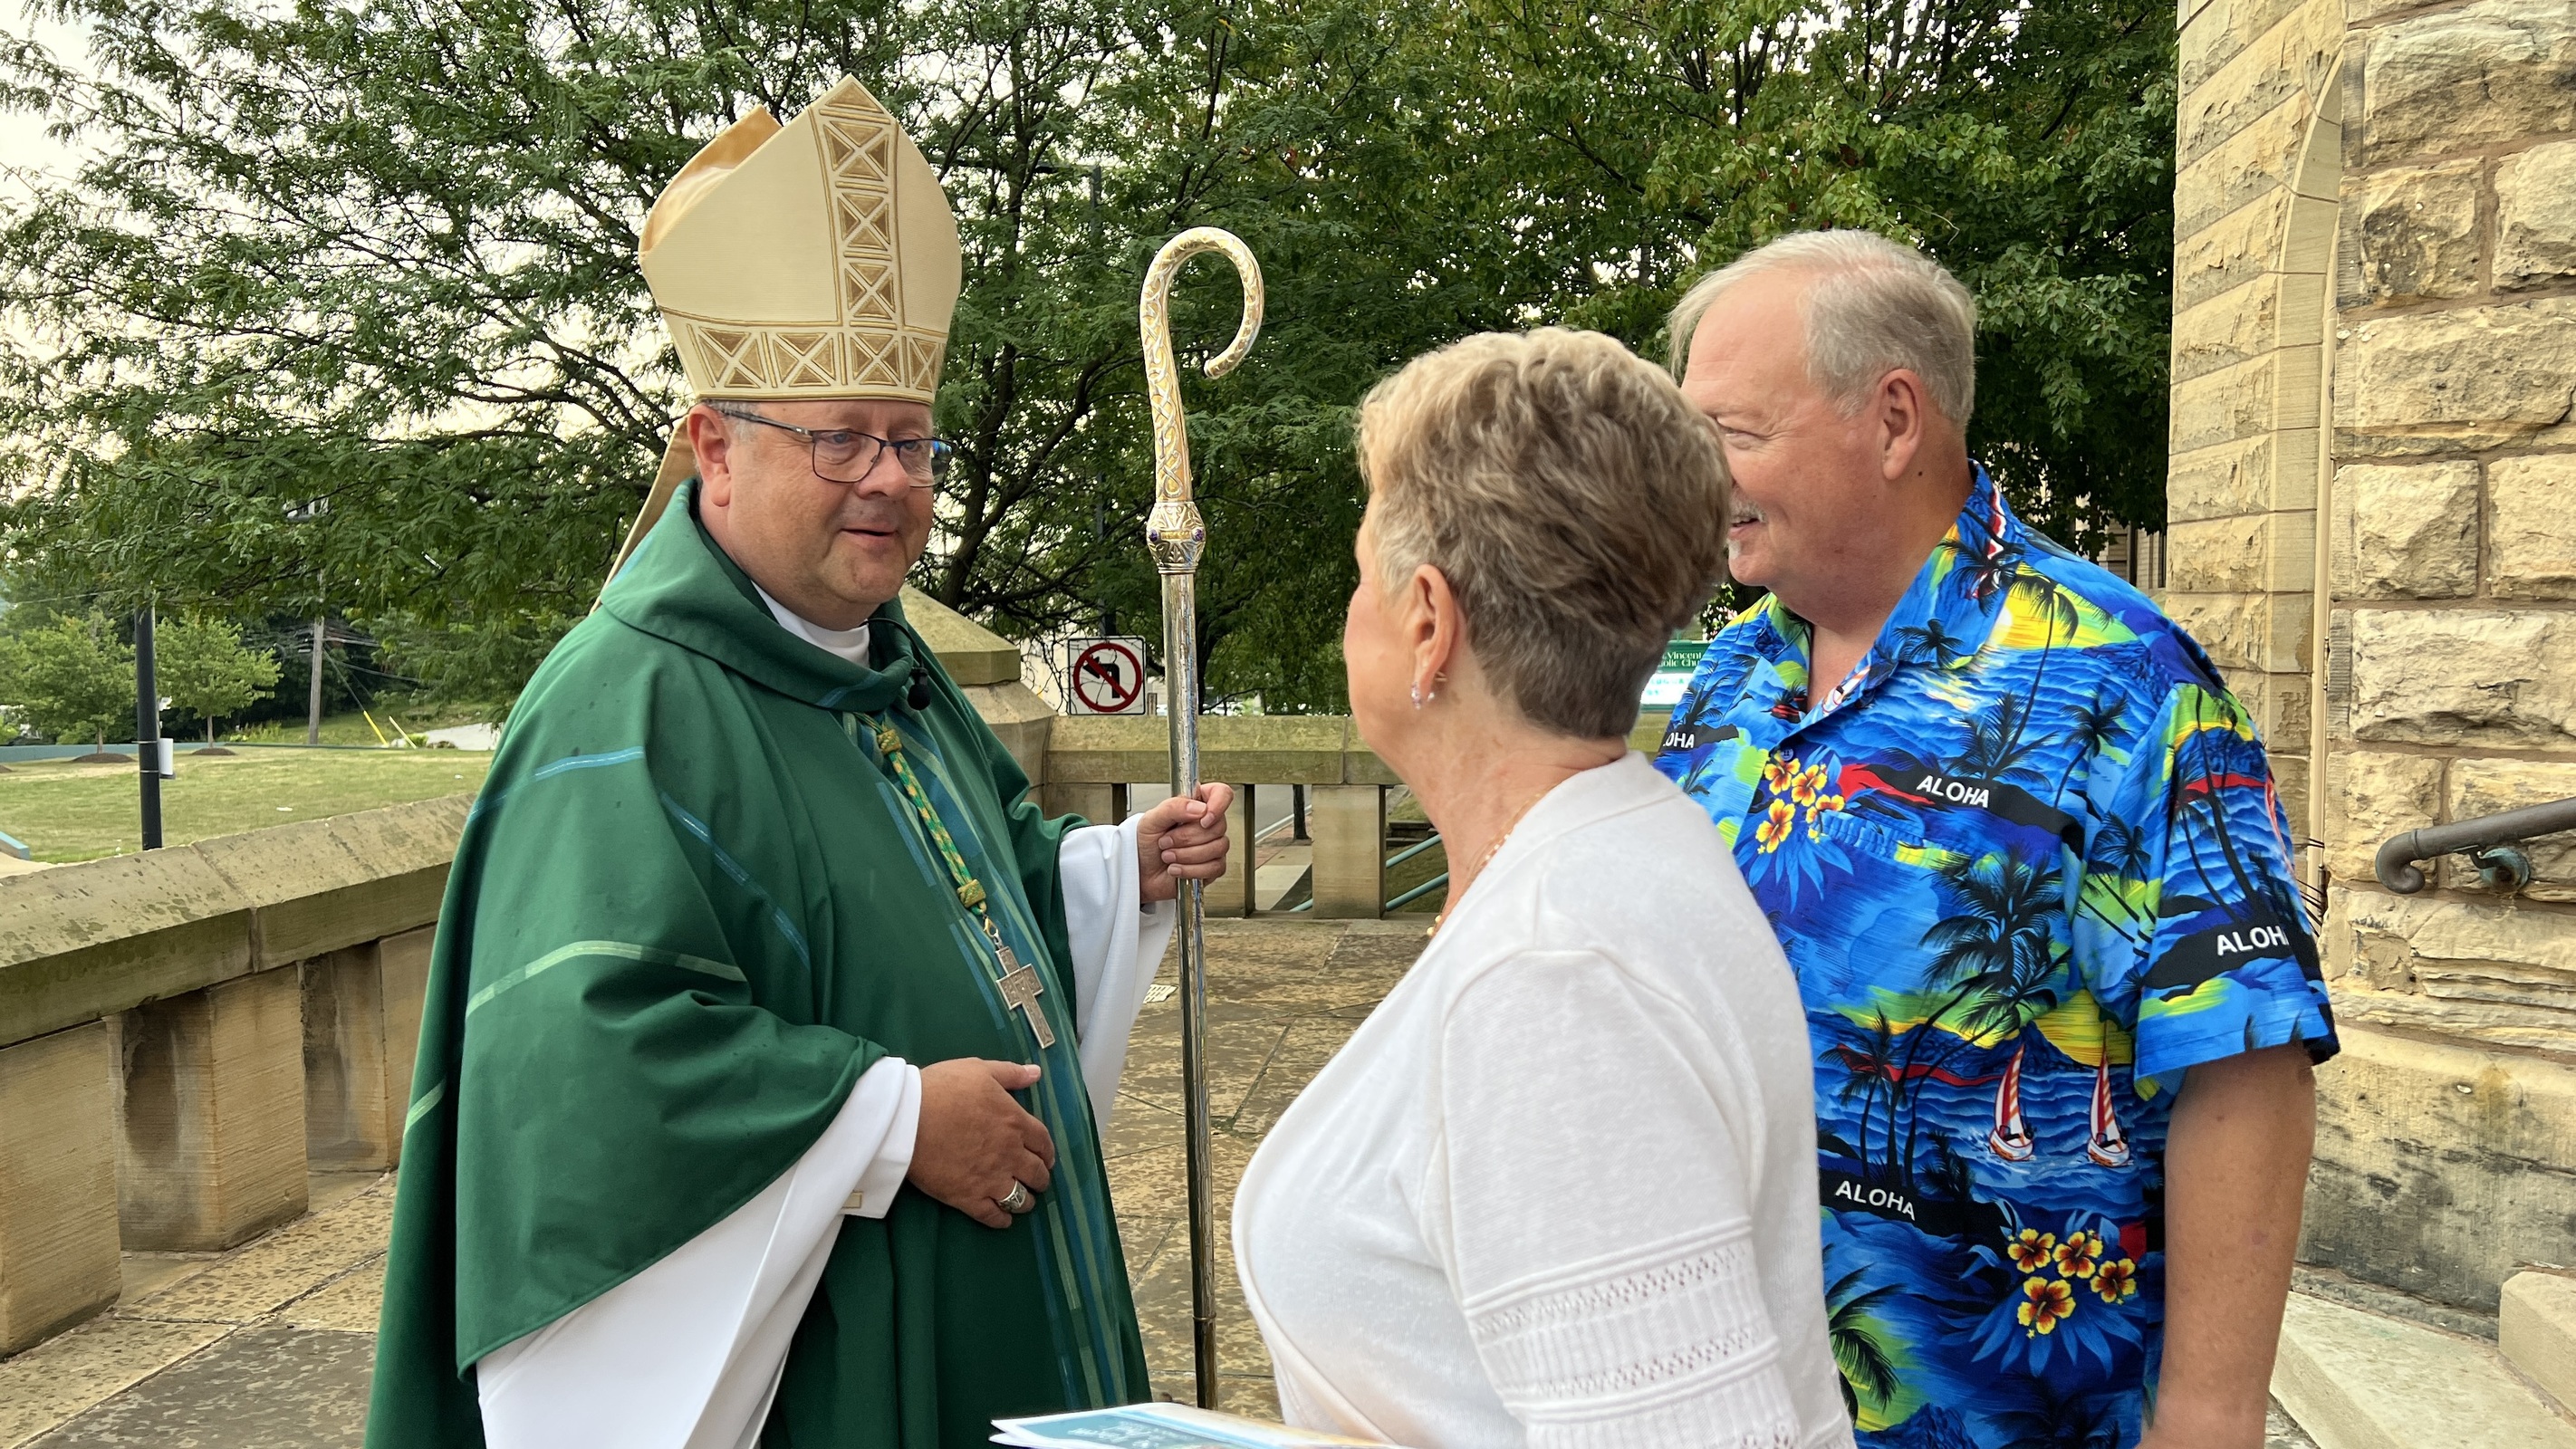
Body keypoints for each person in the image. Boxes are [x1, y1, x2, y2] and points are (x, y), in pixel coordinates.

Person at [366, 77, 1231, 1449]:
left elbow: (982, 883)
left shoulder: (889, 662)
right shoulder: (627, 702)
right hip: (829, 1349)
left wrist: (1119, 870)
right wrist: (891, 1122)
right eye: (840, 438)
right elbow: (591, 1058)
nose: (890, 479)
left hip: (999, 1277)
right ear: (714, 447)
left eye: (912, 440)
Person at [1652, 230, 2335, 1449]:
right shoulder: (1733, 675)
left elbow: (2245, 1050)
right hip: (1734, 1393)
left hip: (2017, 1410)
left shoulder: (2121, 679)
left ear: (1893, 421)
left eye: (1733, 433)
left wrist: (2211, 1415)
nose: (1698, 477)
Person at [1232, 329, 1852, 1449]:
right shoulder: (1610, 850)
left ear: (1429, 622)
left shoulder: (1556, 967)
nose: (1351, 612)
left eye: (1362, 571)